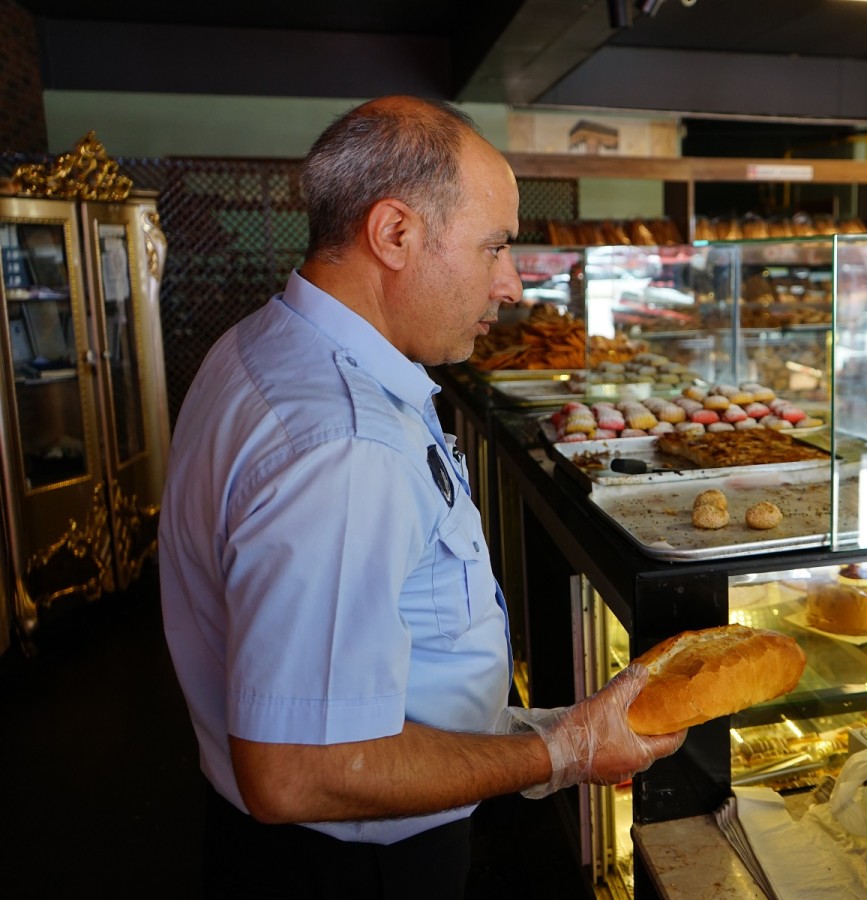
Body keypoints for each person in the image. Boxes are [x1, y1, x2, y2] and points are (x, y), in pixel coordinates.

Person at [158, 96, 684, 898]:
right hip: (346, 866)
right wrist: (565, 749)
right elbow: (300, 771)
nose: (510, 284)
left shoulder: (267, 343)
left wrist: (518, 726)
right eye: (495, 247)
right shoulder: (343, 443)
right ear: (395, 234)